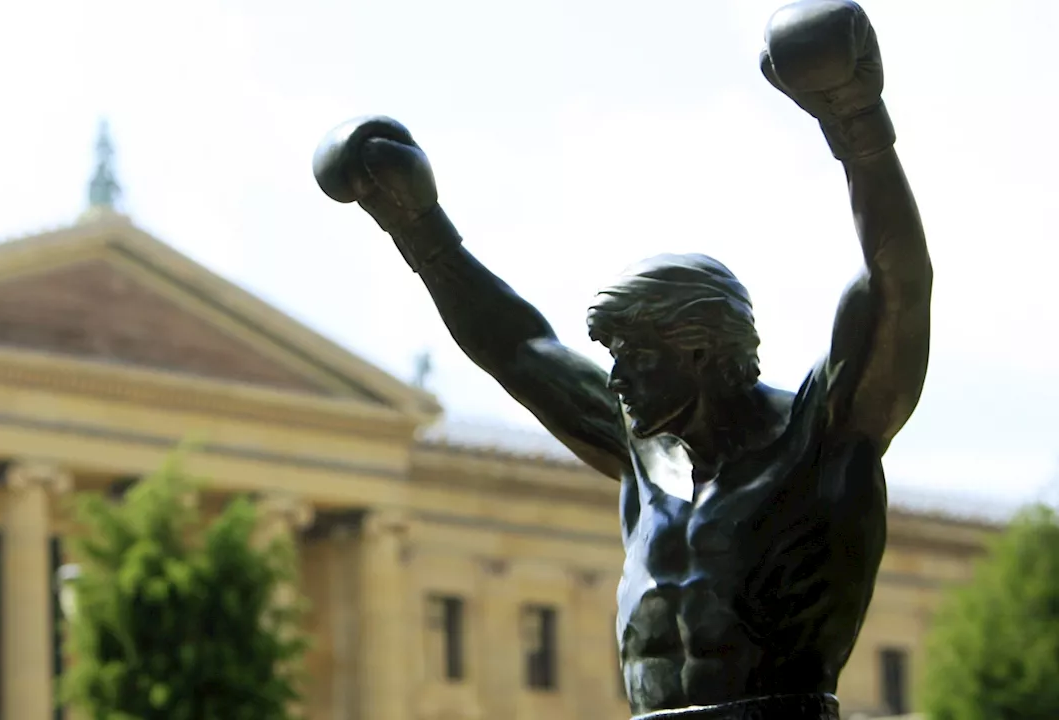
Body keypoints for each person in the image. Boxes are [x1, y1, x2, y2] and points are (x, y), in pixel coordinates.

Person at [312, 1, 931, 716]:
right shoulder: (644, 452)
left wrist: (855, 122)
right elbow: (519, 349)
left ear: (699, 350)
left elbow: (896, 288)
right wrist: (418, 228)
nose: (615, 376)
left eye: (634, 356)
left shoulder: (820, 442)